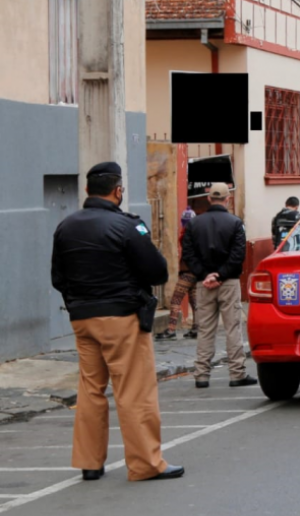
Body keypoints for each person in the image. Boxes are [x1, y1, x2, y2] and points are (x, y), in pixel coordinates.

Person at [51, 161, 184, 482]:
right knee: (134, 390)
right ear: (118, 190)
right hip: (122, 317)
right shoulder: (127, 226)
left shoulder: (66, 226)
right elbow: (157, 271)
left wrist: (78, 300)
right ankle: (145, 464)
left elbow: (58, 278)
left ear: (87, 190)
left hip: (82, 318)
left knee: (90, 390)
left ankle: (89, 462)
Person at [182, 183, 257, 389]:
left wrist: (205, 275)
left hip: (204, 283)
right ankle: (237, 373)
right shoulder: (235, 222)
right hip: (229, 282)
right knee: (233, 328)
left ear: (209, 198)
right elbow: (238, 254)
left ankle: (201, 375)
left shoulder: (194, 224)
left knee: (205, 329)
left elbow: (188, 254)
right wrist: (221, 275)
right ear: (228, 198)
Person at [158, 207, 200, 341]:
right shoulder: (199, 233)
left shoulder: (187, 233)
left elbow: (187, 253)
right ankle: (196, 328)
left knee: (176, 299)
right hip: (197, 272)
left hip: (188, 271)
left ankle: (171, 329)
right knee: (194, 299)